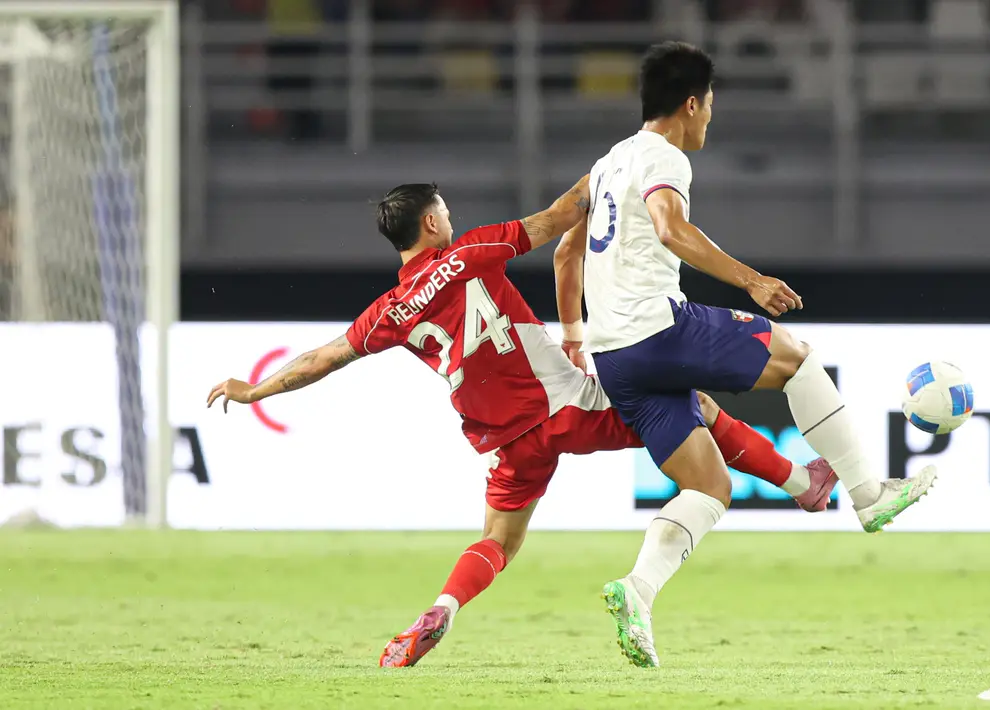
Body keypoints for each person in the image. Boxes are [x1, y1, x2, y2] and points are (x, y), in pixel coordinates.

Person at [206, 178, 838, 668]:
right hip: (561, 407)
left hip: (501, 441)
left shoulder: (388, 312)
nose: (451, 218)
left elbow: (321, 359)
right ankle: (800, 484)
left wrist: (253, 387)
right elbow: (560, 218)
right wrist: (607, 175)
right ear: (432, 223)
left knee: (500, 544)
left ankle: (439, 610)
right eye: (445, 211)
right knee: (693, 403)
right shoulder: (472, 251)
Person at [560, 41, 938, 667]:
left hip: (614, 357)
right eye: (709, 106)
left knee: (708, 485)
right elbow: (670, 229)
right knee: (795, 356)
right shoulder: (663, 158)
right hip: (656, 328)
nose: (710, 118)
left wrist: (574, 334)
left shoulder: (607, 164)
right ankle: (869, 494)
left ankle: (637, 591)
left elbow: (565, 253)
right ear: (689, 103)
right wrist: (752, 281)